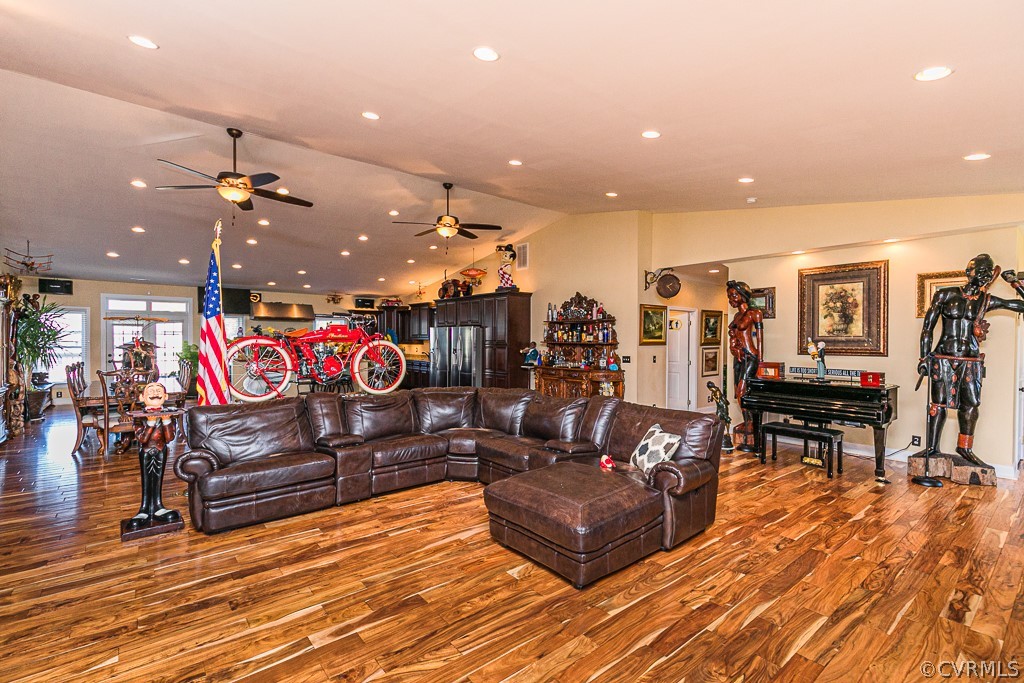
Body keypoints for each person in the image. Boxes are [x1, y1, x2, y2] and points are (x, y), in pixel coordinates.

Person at [918, 254, 1024, 468]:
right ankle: (932, 447)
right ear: (969, 272)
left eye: (987, 271)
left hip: (971, 360)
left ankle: (964, 447)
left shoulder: (987, 301)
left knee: (971, 405)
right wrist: (923, 356)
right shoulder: (945, 295)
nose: (983, 275)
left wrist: (1014, 283)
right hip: (943, 357)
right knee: (937, 404)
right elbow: (927, 329)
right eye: (979, 270)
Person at [727, 280, 764, 450]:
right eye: (729, 296)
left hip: (751, 356)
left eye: (734, 295)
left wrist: (761, 361)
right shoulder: (735, 317)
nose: (731, 299)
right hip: (739, 356)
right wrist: (734, 348)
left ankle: (752, 424)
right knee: (737, 392)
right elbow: (733, 335)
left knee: (744, 390)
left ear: (743, 296)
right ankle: (747, 422)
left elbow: (760, 338)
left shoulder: (755, 313)